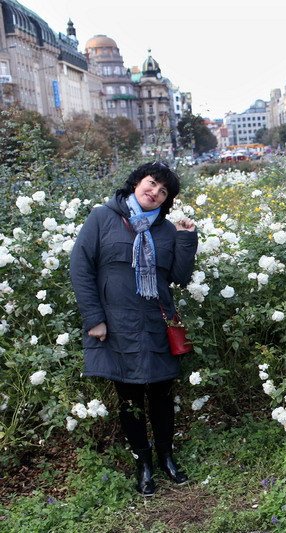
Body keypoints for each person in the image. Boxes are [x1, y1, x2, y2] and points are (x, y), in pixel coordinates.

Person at [70, 162, 198, 496]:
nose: (154, 192)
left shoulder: (167, 230)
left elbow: (179, 277)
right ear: (137, 182)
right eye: (152, 183)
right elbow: (80, 267)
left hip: (156, 324)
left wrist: (186, 239)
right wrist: (93, 318)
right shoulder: (103, 217)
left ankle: (167, 458)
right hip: (117, 326)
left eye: (163, 191)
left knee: (161, 396)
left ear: (166, 200)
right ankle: (143, 465)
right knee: (128, 398)